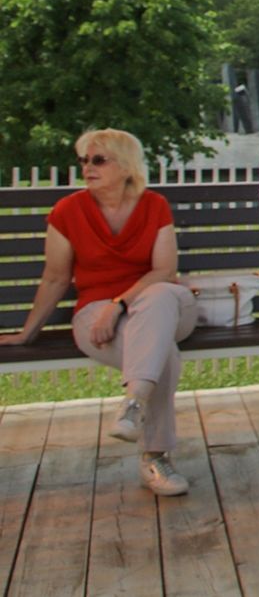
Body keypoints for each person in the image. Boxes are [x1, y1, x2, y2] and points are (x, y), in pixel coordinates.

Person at [0, 129, 198, 497]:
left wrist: (117, 305)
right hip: (95, 315)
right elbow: (56, 277)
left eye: (98, 160)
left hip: (161, 307)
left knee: (158, 296)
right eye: (83, 160)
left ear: (125, 166)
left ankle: (134, 404)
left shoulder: (153, 205)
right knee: (161, 354)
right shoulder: (68, 211)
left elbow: (164, 272)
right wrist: (28, 333)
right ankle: (153, 455)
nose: (87, 167)